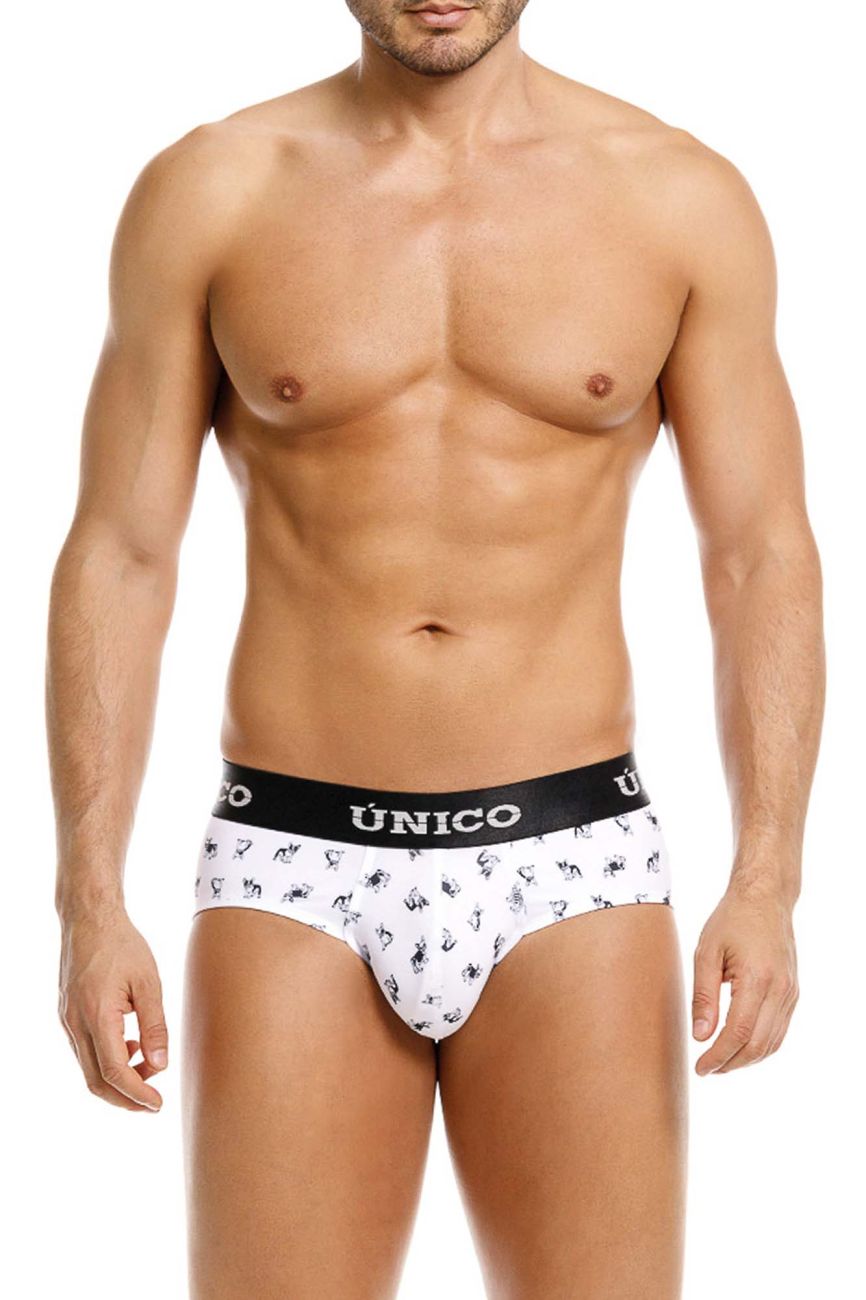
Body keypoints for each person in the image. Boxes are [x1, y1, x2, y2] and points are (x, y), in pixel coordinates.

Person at [46, 2, 825, 1296]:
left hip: (571, 861)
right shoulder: (213, 191)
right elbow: (121, 552)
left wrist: (769, 879)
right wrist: (87, 898)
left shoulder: (677, 198)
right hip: (293, 861)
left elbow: (758, 554)